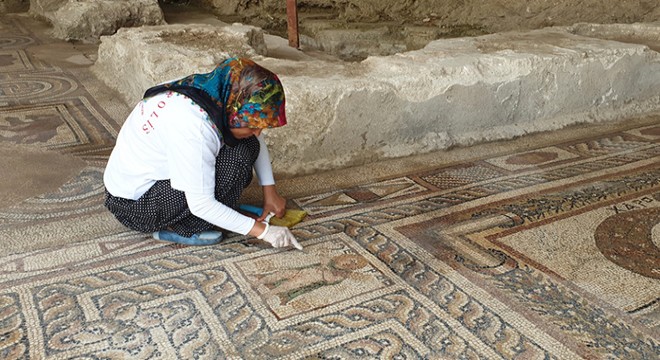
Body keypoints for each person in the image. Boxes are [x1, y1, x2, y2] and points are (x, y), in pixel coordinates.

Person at [103, 57, 302, 249]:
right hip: (135, 206)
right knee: (233, 167)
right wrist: (264, 232)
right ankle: (182, 228)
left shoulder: (212, 93)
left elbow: (254, 134)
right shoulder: (194, 128)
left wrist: (270, 192)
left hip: (153, 183)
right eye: (253, 125)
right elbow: (201, 204)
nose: (258, 132)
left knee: (246, 145)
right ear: (236, 111)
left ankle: (215, 213)